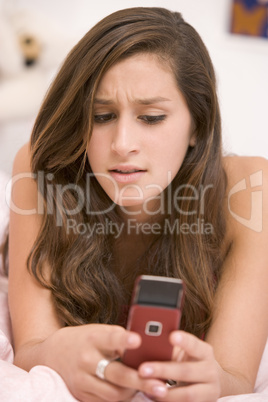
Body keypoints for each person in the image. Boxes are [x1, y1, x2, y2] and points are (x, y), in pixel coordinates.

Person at [7, 7, 268, 402]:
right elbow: (32, 346)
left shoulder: (251, 188)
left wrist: (210, 378)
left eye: (151, 117)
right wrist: (53, 351)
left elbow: (234, 376)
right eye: (102, 115)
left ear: (197, 124)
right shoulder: (40, 166)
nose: (122, 143)